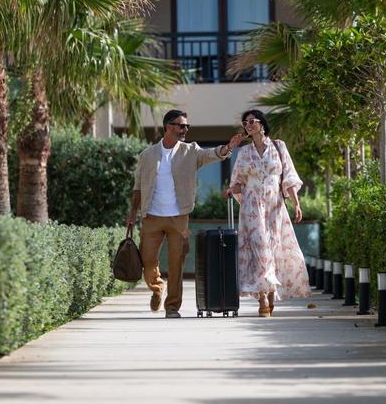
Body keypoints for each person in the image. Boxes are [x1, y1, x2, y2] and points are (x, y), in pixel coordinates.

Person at [127, 109, 244, 319]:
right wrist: (132, 213)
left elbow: (210, 154)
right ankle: (156, 287)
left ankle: (172, 307)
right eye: (181, 126)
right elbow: (138, 187)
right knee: (147, 259)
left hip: (178, 217)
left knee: (176, 264)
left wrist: (227, 148)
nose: (185, 130)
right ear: (168, 127)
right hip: (151, 216)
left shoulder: (191, 151)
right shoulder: (147, 155)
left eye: (187, 126)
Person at [226, 109, 311, 317]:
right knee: (258, 248)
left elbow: (288, 178)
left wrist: (296, 204)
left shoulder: (278, 147)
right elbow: (236, 182)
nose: (248, 125)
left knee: (273, 247)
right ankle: (263, 296)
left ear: (262, 124)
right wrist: (231, 190)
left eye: (252, 121)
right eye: (245, 122)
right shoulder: (244, 152)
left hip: (275, 206)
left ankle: (271, 291)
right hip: (252, 208)